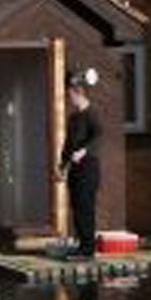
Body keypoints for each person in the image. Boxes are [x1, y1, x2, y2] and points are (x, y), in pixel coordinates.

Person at [59, 70, 102, 258]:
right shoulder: (73, 118)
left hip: (88, 168)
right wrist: (62, 165)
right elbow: (68, 143)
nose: (70, 101)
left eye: (71, 96)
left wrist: (85, 150)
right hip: (75, 169)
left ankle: (88, 248)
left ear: (79, 94)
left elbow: (99, 135)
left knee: (86, 207)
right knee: (76, 207)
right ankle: (82, 245)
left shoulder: (91, 114)